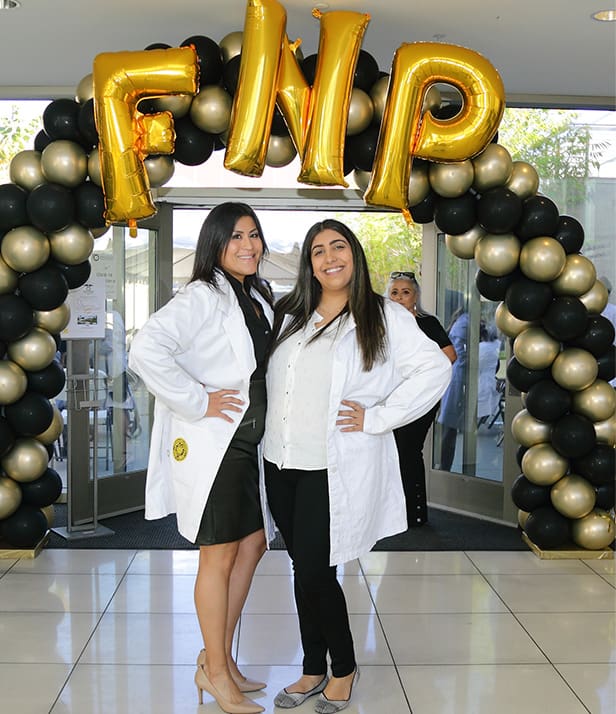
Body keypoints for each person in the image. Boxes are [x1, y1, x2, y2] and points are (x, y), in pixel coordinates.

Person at [263, 219, 452, 712]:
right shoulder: (292, 314)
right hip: (280, 461)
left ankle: (340, 668)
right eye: (318, 250)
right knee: (302, 566)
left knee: (315, 568)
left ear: (355, 254)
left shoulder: (385, 315)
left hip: (333, 464)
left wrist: (380, 416)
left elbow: (435, 368)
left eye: (338, 246)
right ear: (309, 263)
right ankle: (310, 667)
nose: (329, 257)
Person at [128, 202, 274, 714]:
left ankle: (218, 657)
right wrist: (197, 399)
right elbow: (145, 349)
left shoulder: (254, 295)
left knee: (253, 543)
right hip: (218, 443)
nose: (248, 245)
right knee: (219, 554)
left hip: (246, 443)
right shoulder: (202, 295)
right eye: (236, 237)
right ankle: (214, 671)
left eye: (254, 235)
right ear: (215, 244)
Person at [386, 271, 457, 526]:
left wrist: (418, 375)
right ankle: (394, 512)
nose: (399, 297)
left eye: (405, 292)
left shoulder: (427, 323)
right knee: (392, 452)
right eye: (394, 292)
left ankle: (415, 514)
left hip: (421, 398)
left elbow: (450, 356)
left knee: (408, 450)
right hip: (389, 398)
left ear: (415, 297)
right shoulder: (383, 324)